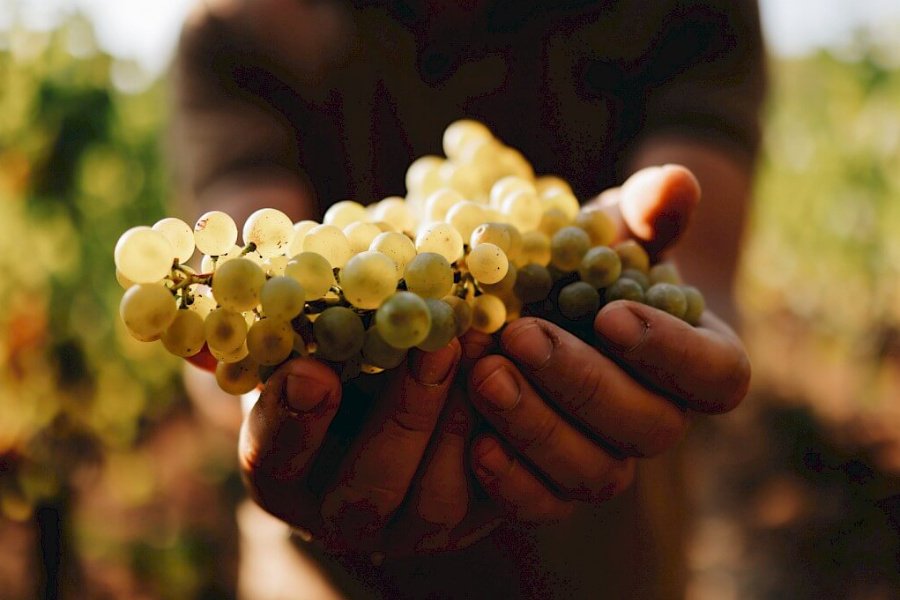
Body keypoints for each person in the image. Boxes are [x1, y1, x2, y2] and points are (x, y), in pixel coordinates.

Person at [172, 0, 765, 597]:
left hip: (596, 561)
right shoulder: (243, 25)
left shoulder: (681, 11)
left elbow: (697, 275)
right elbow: (241, 272)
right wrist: (265, 403)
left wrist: (672, 342)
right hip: (327, 572)